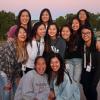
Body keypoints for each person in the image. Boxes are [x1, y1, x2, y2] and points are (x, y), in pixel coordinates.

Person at [0, 26, 28, 100]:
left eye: (24, 32)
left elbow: (18, 64)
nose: (22, 34)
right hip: (4, 72)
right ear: (16, 35)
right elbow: (8, 65)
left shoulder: (24, 46)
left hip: (13, 72)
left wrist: (17, 77)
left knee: (17, 93)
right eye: (20, 32)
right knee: (7, 93)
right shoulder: (11, 45)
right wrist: (9, 81)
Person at [80, 26, 100, 100]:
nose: (85, 35)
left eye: (88, 33)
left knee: (92, 90)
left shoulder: (97, 44)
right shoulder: (82, 45)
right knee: (85, 90)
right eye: (83, 33)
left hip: (95, 70)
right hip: (85, 71)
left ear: (92, 33)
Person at [65, 17, 83, 83]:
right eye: (73, 23)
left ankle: (75, 93)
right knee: (69, 80)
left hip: (78, 61)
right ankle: (71, 93)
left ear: (79, 24)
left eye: (76, 23)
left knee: (76, 81)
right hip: (68, 60)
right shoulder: (68, 33)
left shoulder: (82, 33)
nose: (75, 25)